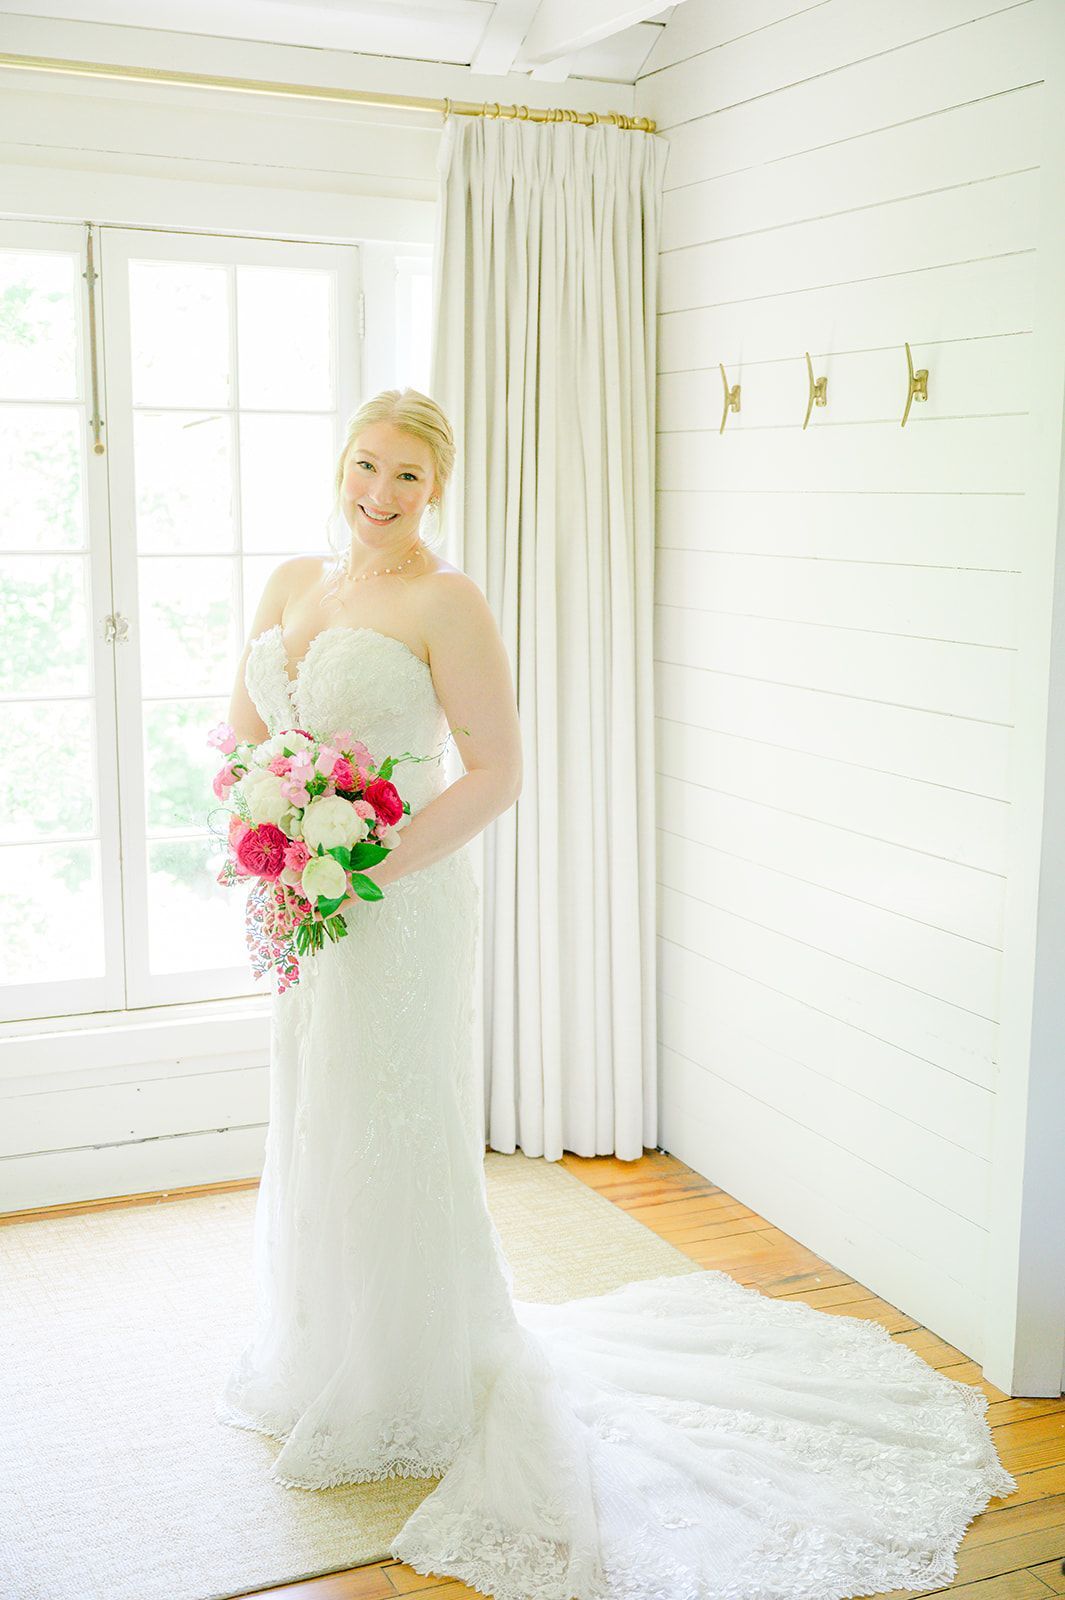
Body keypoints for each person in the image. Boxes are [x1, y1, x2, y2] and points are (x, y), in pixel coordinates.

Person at [216, 388, 1016, 1600]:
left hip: (397, 899)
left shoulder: (450, 600)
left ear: (440, 488)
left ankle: (409, 1370)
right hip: (307, 906)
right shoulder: (288, 583)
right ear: (342, 462)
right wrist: (267, 829)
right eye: (367, 467)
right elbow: (245, 737)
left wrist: (364, 860)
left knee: (392, 1119)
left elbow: (496, 773)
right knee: (316, 1110)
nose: (379, 495)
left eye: (409, 478)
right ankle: (324, 1344)